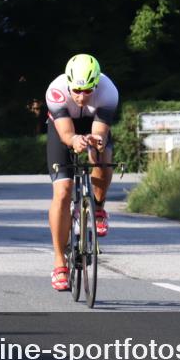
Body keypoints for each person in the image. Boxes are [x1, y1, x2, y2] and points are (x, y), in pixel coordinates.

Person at [44, 54, 119, 291]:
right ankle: (59, 263)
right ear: (68, 82)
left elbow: (100, 132)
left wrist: (93, 146)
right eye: (76, 89)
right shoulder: (56, 91)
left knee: (104, 159)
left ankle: (97, 208)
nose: (81, 95)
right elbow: (66, 134)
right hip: (64, 128)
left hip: (93, 125)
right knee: (63, 191)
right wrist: (75, 140)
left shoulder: (108, 92)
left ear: (97, 83)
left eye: (88, 90)